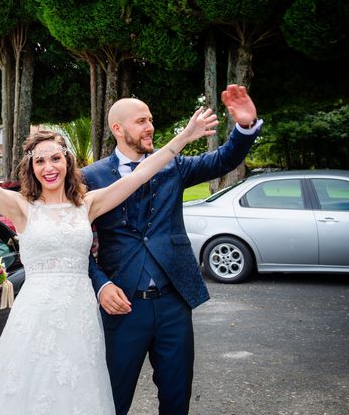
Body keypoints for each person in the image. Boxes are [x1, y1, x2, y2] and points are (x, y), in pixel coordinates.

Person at [0, 80, 218, 414]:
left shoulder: (89, 204)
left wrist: (183, 137)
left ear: (68, 162)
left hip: (80, 315)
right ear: (31, 167)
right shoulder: (21, 207)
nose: (49, 167)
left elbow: (140, 174)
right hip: (35, 316)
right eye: (40, 161)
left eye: (56, 158)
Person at [80, 84, 261, 415]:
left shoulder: (172, 166)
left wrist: (245, 128)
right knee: (112, 398)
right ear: (118, 129)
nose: (150, 127)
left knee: (177, 398)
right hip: (122, 305)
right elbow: (77, 245)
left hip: (173, 303)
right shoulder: (90, 177)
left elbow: (222, 159)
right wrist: (101, 284)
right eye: (141, 121)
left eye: (150, 119)